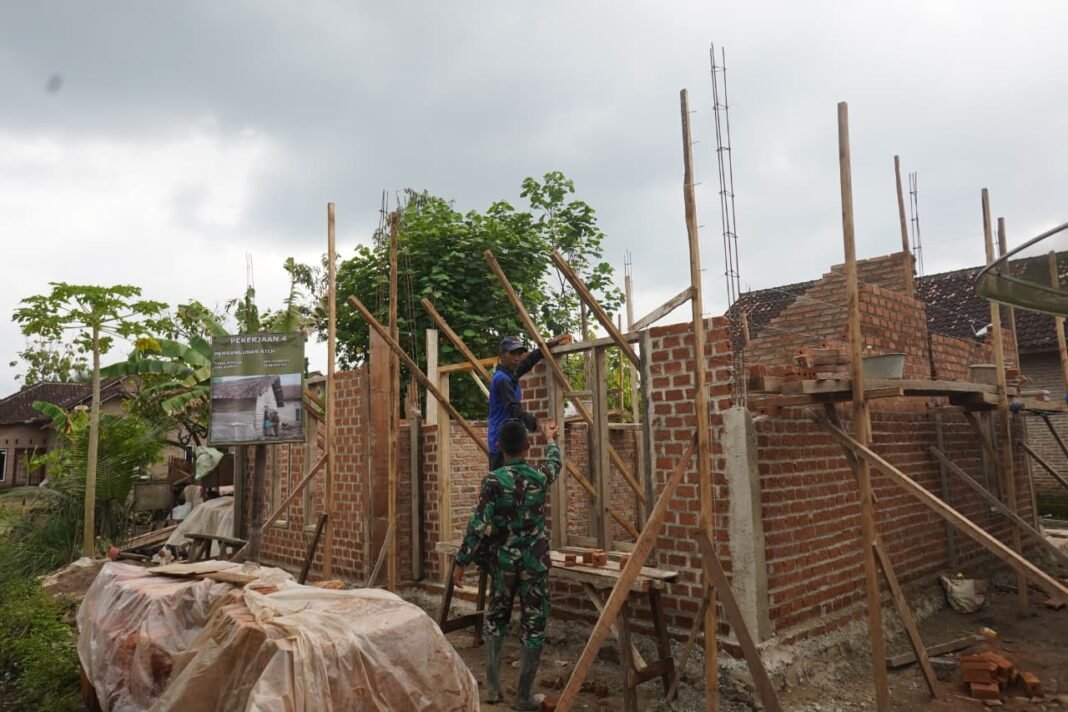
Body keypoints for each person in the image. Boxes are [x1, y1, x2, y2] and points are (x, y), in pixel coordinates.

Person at [452, 418, 562, 709]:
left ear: (499, 447)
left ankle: (492, 689)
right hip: (534, 564)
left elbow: (478, 524)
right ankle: (524, 697)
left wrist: (461, 561)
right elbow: (555, 463)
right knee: (534, 624)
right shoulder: (540, 477)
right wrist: (550, 439)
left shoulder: (493, 481)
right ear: (527, 446)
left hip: (502, 564)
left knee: (496, 619)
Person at [488, 333, 571, 470]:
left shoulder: (510, 373)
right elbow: (513, 408)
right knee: (502, 485)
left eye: (519, 354)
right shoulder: (502, 379)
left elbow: (526, 363)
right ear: (503, 355)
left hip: (510, 438)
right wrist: (536, 423)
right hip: (501, 442)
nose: (517, 358)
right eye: (513, 353)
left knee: (513, 484)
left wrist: (546, 346)